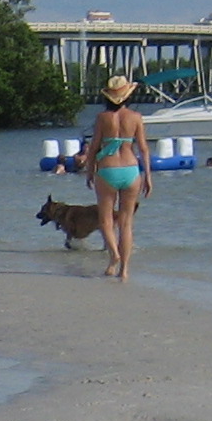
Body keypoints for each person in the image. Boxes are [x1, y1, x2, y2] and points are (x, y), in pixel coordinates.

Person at [85, 74, 151, 279]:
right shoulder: (136, 117)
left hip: (108, 170)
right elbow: (144, 149)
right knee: (126, 222)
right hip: (131, 170)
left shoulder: (102, 118)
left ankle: (114, 256)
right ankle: (124, 270)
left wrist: (89, 170)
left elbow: (94, 146)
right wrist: (148, 176)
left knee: (105, 220)